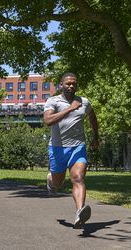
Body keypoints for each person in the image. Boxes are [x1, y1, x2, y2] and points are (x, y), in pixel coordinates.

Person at [43, 72, 99, 229]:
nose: (71, 86)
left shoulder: (84, 102)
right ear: (61, 85)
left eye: (74, 83)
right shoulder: (53, 101)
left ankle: (79, 213)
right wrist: (70, 109)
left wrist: (96, 136)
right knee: (58, 182)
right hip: (57, 149)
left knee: (78, 178)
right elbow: (47, 120)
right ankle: (51, 181)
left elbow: (93, 118)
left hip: (78, 147)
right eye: (68, 83)